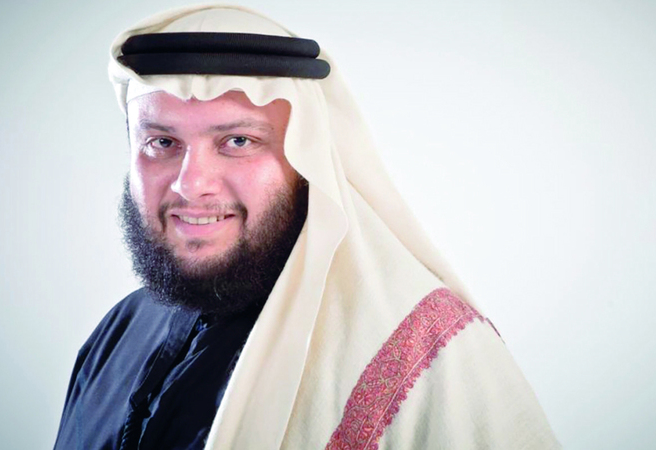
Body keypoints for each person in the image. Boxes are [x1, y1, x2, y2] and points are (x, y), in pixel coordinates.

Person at [54, 4, 559, 449]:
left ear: (306, 161)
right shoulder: (118, 332)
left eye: (238, 141)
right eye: (162, 143)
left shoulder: (428, 355)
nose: (191, 185)